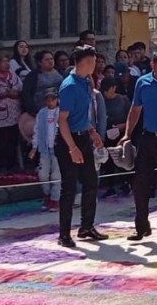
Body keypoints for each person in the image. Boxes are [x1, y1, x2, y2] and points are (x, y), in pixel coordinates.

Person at [120, 52, 157, 243]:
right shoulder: (142, 83)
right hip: (148, 137)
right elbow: (135, 109)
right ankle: (141, 226)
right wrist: (127, 135)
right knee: (140, 183)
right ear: (154, 65)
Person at [55, 45, 108, 247]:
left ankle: (86, 226)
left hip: (83, 135)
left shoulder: (86, 82)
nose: (95, 65)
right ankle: (64, 234)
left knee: (91, 182)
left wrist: (91, 131)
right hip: (68, 140)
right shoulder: (69, 86)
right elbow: (62, 120)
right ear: (84, 63)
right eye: (92, 61)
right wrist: (72, 148)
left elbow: (82, 114)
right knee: (68, 187)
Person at [29, 87, 61, 212]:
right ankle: (46, 195)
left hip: (58, 149)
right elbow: (36, 131)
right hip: (44, 149)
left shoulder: (61, 112)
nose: (50, 102)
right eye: (47, 100)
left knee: (56, 175)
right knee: (43, 175)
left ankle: (55, 200)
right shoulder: (41, 113)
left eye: (52, 99)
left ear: (57, 100)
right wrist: (34, 147)